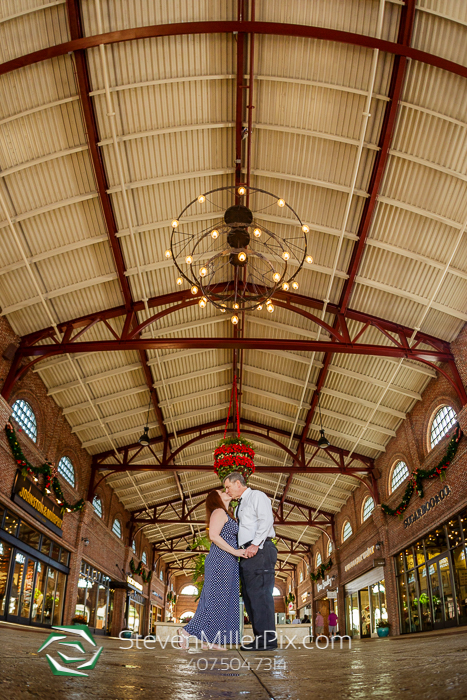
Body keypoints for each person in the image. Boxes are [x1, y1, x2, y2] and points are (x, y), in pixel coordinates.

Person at [177, 489, 247, 650]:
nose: (226, 491)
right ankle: (186, 631)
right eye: (222, 491)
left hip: (228, 560)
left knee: (222, 600)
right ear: (216, 498)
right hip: (220, 559)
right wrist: (236, 551)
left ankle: (211, 640)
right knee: (215, 599)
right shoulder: (218, 511)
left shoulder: (228, 514)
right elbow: (214, 536)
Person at [224, 471, 277, 651]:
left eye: (228, 487)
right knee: (250, 597)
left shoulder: (257, 496)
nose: (227, 490)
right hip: (247, 553)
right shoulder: (239, 505)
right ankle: (260, 638)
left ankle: (268, 640)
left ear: (238, 483)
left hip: (260, 550)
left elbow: (266, 520)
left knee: (261, 595)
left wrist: (255, 544)